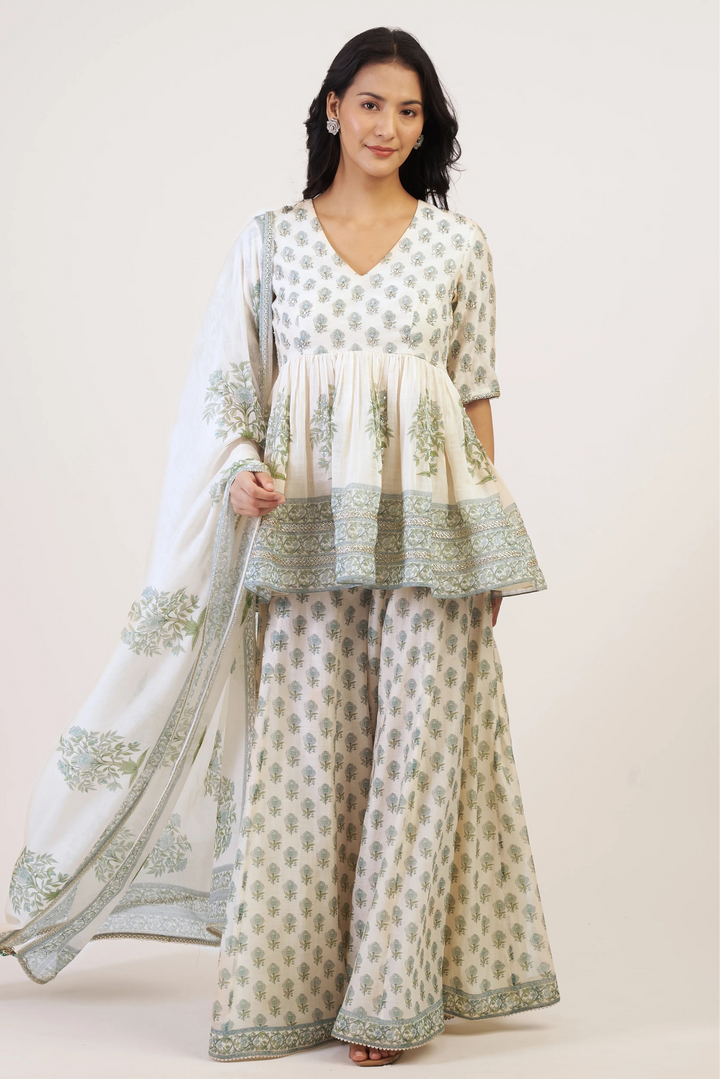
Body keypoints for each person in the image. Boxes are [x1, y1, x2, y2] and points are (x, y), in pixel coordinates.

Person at [1, 25, 560, 1069]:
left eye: (411, 109)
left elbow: (475, 402)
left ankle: (388, 1003)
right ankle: (293, 989)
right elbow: (228, 398)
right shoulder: (268, 241)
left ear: (426, 125)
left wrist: (489, 545)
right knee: (307, 764)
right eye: (372, 103)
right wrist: (241, 468)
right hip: (303, 531)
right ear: (332, 109)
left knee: (417, 759)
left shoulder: (459, 246)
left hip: (433, 540)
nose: (390, 125)